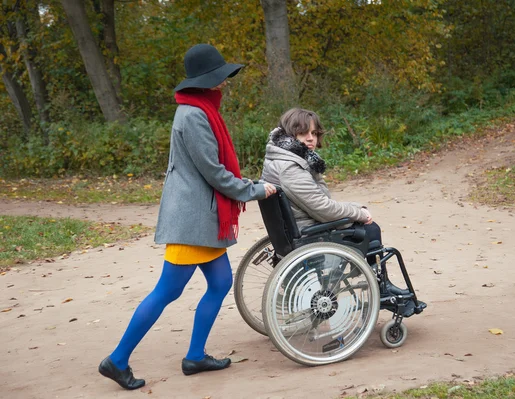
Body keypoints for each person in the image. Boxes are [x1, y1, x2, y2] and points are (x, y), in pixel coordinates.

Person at [98, 44, 276, 390]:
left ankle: (195, 356)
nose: (223, 85)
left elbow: (214, 170)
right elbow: (214, 172)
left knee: (221, 282)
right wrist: (254, 189)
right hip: (192, 221)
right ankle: (117, 360)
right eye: (219, 79)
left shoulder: (200, 110)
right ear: (205, 82)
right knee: (167, 291)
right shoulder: (194, 116)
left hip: (202, 220)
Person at [261, 108, 405, 294]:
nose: (311, 138)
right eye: (304, 133)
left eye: (314, 133)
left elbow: (318, 201)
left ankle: (375, 284)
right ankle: (381, 289)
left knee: (361, 221)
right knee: (370, 229)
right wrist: (358, 212)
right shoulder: (290, 168)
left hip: (296, 228)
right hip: (309, 235)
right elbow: (322, 208)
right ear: (290, 133)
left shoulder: (280, 158)